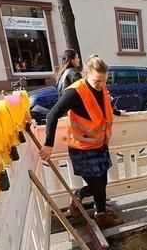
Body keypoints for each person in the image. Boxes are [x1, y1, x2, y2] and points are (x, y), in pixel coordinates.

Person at [40, 55, 126, 229]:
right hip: (82, 149)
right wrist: (48, 144)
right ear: (86, 75)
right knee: (97, 185)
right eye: (97, 81)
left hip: (100, 145)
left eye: (104, 80)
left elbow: (103, 106)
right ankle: (80, 198)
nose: (101, 84)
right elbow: (52, 115)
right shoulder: (75, 92)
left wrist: (116, 112)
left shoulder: (100, 86)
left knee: (102, 183)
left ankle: (100, 215)